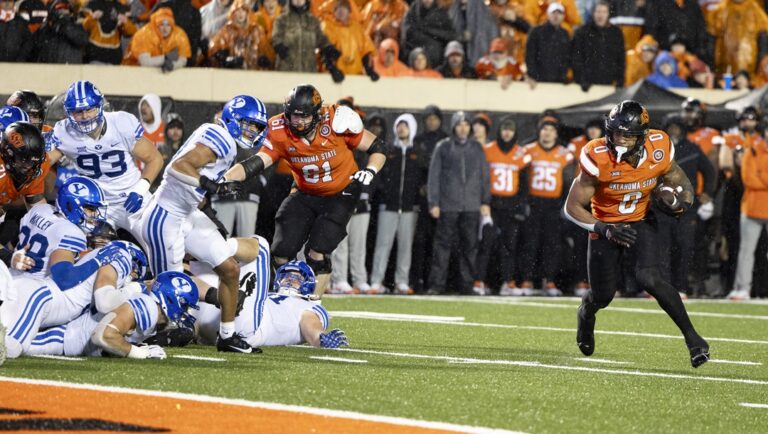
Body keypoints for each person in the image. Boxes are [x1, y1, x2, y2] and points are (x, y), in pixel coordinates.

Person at [563, 100, 710, 368]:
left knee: (650, 277)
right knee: (603, 295)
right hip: (607, 225)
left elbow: (680, 184)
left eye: (626, 133)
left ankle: (694, 339)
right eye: (615, 131)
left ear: (641, 136)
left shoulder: (659, 147)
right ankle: (586, 313)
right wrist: (604, 229)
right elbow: (572, 207)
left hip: (641, 219)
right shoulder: (597, 154)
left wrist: (678, 202)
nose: (618, 138)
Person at [222, 84, 387, 297]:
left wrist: (371, 170)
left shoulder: (336, 121)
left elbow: (378, 147)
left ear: (317, 114)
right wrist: (223, 179)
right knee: (281, 251)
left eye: (303, 117)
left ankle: (312, 306)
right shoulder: (279, 128)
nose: (297, 122)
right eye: (292, 116)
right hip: (304, 191)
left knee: (318, 250)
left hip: (341, 191)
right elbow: (257, 162)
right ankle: (287, 295)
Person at [137, 95, 268, 353]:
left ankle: (227, 337)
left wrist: (209, 190)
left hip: (185, 214)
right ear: (233, 119)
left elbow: (191, 181)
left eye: (256, 127)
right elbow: (177, 167)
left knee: (230, 269)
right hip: (165, 217)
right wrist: (210, 185)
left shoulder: (222, 137)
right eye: (249, 125)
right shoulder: (220, 136)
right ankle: (135, 332)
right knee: (169, 295)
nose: (252, 132)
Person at [2, 177, 146, 358]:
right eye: (90, 209)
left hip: (10, 280)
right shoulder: (72, 232)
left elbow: (22, 245)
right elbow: (64, 277)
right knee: (10, 349)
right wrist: (98, 260)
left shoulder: (40, 210)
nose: (95, 216)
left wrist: (14, 256)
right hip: (32, 292)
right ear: (71, 205)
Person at [47, 80, 164, 236]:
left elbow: (155, 159)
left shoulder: (120, 123)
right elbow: (42, 163)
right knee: (83, 248)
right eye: (78, 111)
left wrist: (141, 189)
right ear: (69, 113)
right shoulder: (64, 132)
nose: (84, 116)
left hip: (132, 198)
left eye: (89, 109)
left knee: (160, 243)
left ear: (100, 106)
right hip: (95, 206)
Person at [27, 270, 198, 359]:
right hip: (65, 339)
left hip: (71, 337)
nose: (185, 312)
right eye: (185, 306)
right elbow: (102, 335)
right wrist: (138, 353)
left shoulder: (150, 308)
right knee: (14, 346)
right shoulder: (148, 307)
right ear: (170, 299)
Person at [195, 260, 348, 349]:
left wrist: (320, 338)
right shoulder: (267, 294)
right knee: (201, 277)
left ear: (307, 284)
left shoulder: (309, 307)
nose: (289, 279)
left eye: (296, 278)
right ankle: (185, 327)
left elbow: (310, 325)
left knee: (259, 246)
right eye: (286, 276)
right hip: (221, 322)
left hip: (249, 329)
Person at [426, 111, 491, 295]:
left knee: (470, 247)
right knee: (442, 247)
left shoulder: (477, 148)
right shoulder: (443, 147)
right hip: (447, 206)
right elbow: (434, 176)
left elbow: (485, 176)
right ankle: (437, 285)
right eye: (459, 124)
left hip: (471, 206)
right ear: (454, 126)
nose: (463, 128)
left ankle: (466, 285)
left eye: (466, 125)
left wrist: (485, 200)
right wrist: (434, 203)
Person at [657, 115, 715, 299]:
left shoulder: (692, 148)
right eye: (671, 127)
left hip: (686, 204)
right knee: (663, 247)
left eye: (677, 127)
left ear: (683, 129)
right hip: (662, 205)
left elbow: (710, 171)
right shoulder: (659, 149)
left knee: (684, 246)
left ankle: (681, 287)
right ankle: (664, 287)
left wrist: (707, 193)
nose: (674, 131)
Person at [476, 116, 530, 295]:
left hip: (510, 205)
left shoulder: (521, 153)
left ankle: (508, 281)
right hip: (491, 204)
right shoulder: (487, 150)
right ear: (499, 131)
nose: (507, 132)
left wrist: (519, 206)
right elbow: (482, 179)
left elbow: (524, 185)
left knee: (509, 246)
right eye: (504, 129)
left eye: (510, 129)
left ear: (514, 133)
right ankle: (480, 280)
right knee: (486, 244)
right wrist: (484, 202)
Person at [520, 120, 573, 295]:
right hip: (534, 203)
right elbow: (521, 178)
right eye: (544, 129)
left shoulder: (564, 154)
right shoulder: (528, 150)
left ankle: (549, 280)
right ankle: (527, 280)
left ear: (556, 134)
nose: (547, 133)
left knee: (552, 244)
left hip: (553, 204)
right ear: (539, 132)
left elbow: (568, 182)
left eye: (551, 130)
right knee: (530, 243)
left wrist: (564, 203)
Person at [369, 113, 420, 295]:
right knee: (383, 245)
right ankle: (376, 281)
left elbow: (421, 180)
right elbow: (380, 176)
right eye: (399, 125)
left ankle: (402, 282)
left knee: (406, 247)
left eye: (405, 125)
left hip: (408, 208)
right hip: (388, 206)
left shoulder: (417, 152)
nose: (401, 128)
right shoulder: (388, 150)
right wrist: (384, 193)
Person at [727, 131, 768, 300]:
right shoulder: (752, 149)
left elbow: (755, 177)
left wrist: (761, 175)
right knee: (746, 251)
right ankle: (742, 288)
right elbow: (748, 178)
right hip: (752, 207)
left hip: (755, 203)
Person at [571, 0, 625, 91]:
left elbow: (621, 58)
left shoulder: (616, 33)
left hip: (608, 82)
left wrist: (620, 79)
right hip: (587, 83)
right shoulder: (582, 32)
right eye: (598, 12)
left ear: (608, 14)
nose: (601, 15)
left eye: (604, 12)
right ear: (593, 13)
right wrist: (581, 79)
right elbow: (576, 57)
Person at [122, 8, 191, 72]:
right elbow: (145, 62)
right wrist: (166, 58)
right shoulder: (144, 34)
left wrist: (173, 66)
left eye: (168, 25)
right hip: (132, 70)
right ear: (156, 25)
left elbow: (183, 60)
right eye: (161, 25)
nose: (165, 28)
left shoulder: (179, 36)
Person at [524, 2, 571, 88]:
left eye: (559, 13)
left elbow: (566, 57)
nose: (556, 16)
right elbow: (530, 55)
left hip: (558, 80)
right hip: (539, 79)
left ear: (563, 16)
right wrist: (533, 75)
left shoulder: (565, 34)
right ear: (548, 14)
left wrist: (563, 75)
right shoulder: (536, 32)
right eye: (553, 13)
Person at [400, 0, 456, 70]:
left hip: (434, 51)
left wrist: (427, 30)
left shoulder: (440, 11)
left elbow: (449, 34)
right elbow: (407, 29)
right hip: (415, 48)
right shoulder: (414, 8)